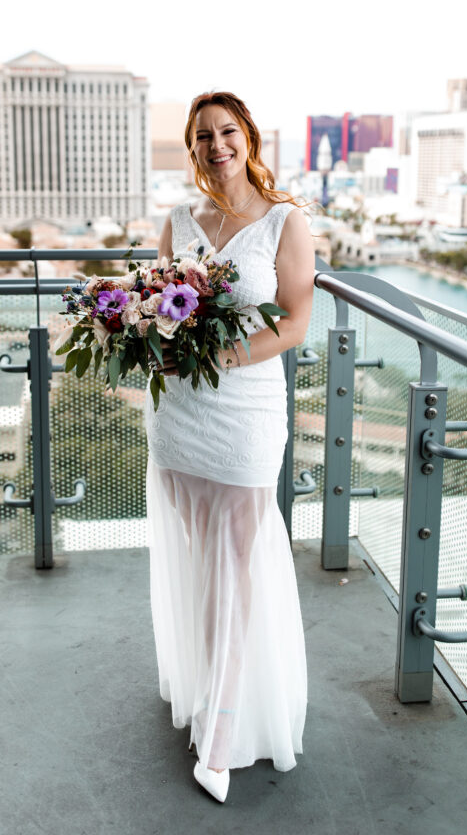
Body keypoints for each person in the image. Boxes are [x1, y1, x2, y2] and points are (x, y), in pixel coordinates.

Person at [144, 91, 314, 803]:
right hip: (179, 417)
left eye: (227, 132)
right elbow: (155, 306)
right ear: (193, 149)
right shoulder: (178, 222)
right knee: (197, 559)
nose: (217, 145)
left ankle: (221, 737)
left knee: (240, 571)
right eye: (203, 136)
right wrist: (144, 337)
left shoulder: (285, 219)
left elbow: (296, 323)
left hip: (244, 413)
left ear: (247, 137)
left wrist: (219, 362)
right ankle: (205, 686)